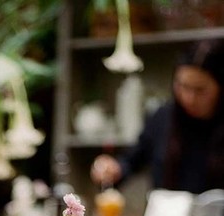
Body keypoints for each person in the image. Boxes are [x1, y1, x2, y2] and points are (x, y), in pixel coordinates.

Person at [91, 38, 224, 195]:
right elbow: (130, 161)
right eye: (183, 86)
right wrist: (112, 168)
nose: (189, 98)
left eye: (200, 90)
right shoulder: (162, 118)